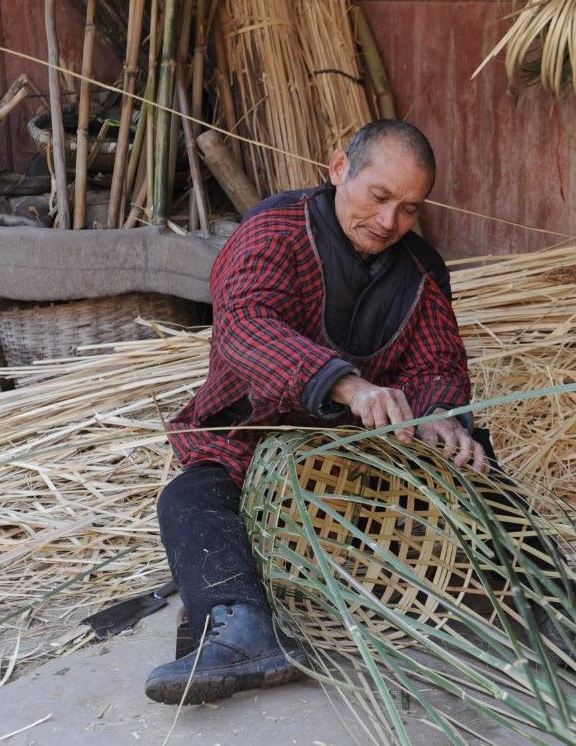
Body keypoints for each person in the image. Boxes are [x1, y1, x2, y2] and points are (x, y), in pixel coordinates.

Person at [146, 120, 485, 705]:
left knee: (478, 464)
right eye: (378, 197)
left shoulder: (421, 269)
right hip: (254, 440)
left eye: (409, 209)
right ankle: (241, 632)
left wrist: (438, 413)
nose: (389, 222)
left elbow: (439, 362)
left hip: (368, 456)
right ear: (339, 169)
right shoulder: (274, 231)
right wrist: (346, 386)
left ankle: (542, 603)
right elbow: (245, 327)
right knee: (190, 500)